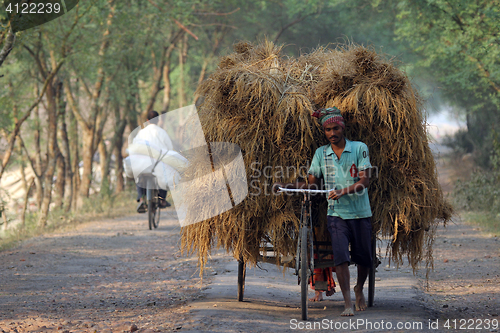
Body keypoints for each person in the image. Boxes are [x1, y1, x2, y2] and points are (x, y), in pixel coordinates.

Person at [273, 107, 373, 316]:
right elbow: (313, 185)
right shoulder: (321, 153)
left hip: (360, 212)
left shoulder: (359, 148)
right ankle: (348, 302)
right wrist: (287, 185)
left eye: (335, 128)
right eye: (328, 130)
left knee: (364, 258)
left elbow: (365, 180)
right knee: (341, 258)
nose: (332, 133)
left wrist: (343, 191)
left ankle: (359, 289)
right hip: (335, 214)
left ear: (342, 127)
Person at [134, 110, 172, 212]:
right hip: (159, 163)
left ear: (147, 120)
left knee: (138, 175)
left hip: (144, 163)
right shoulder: (162, 132)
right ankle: (163, 199)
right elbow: (170, 148)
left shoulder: (141, 133)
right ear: (158, 120)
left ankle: (141, 198)